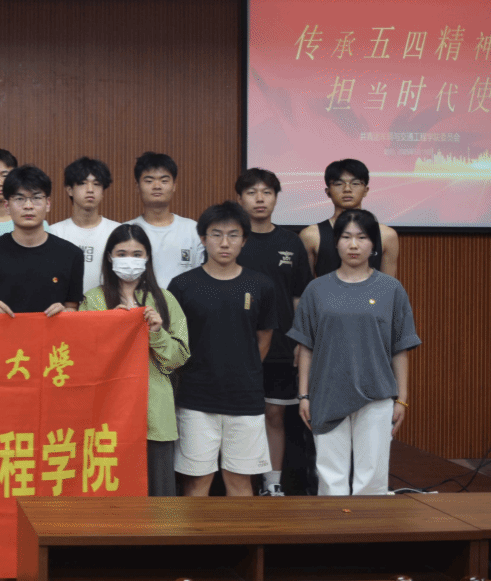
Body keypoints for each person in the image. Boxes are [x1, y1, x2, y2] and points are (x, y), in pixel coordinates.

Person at [289, 209, 420, 496]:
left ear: (374, 245)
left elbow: (400, 347)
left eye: (362, 238)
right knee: (330, 477)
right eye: (346, 237)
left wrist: (402, 398)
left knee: (372, 478)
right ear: (335, 243)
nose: (353, 245)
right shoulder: (316, 289)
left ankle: (369, 527)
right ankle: (333, 526)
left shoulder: (391, 289)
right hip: (326, 394)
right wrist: (304, 395)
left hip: (377, 394)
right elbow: (306, 346)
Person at [168, 201, 277, 497]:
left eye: (233, 235)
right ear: (203, 239)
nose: (225, 243)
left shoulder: (261, 285)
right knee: (196, 482)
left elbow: (264, 338)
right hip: (195, 399)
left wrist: (241, 370)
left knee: (240, 483)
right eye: (216, 234)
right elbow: (174, 342)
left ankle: (241, 533)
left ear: (244, 240)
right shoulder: (182, 285)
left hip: (245, 399)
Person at [78, 224, 189, 496]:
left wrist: (157, 333)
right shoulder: (94, 299)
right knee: (112, 497)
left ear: (147, 257)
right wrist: (112, 329)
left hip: (154, 415)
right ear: (109, 257)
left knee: (159, 499)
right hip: (107, 417)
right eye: (122, 253)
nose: (130, 260)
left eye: (137, 254)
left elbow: (178, 359)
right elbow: (83, 360)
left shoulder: (165, 299)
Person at [235, 168, 313, 496]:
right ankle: (240, 484)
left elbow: (300, 297)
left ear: (276, 198)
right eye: (252, 192)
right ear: (240, 198)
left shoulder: (290, 242)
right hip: (238, 345)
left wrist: (300, 341)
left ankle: (272, 483)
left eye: (267, 192)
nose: (260, 199)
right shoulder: (233, 240)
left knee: (275, 415)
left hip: (281, 345)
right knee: (240, 417)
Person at [0, 165, 83, 317]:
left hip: (51, 333)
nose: (28, 206)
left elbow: (72, 307)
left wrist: (66, 312)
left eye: (36, 198)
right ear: (7, 206)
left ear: (48, 204)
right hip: (1, 332)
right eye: (19, 199)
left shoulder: (72, 255)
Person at [300, 158, 400, 278]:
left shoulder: (386, 235)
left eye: (355, 183)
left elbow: (388, 285)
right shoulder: (311, 235)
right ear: (328, 192)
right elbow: (306, 286)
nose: (347, 189)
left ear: (366, 190)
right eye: (338, 184)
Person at [126, 152, 203, 288]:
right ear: (137, 187)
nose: (157, 186)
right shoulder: (126, 230)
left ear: (174, 186)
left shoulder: (193, 230)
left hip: (183, 302)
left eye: (164, 181)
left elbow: (201, 277)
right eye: (149, 181)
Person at [49, 157, 120, 296]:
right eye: (82, 183)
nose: (90, 190)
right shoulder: (54, 232)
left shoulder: (116, 231)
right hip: (65, 306)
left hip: (107, 306)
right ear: (69, 190)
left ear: (103, 191)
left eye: (97, 184)